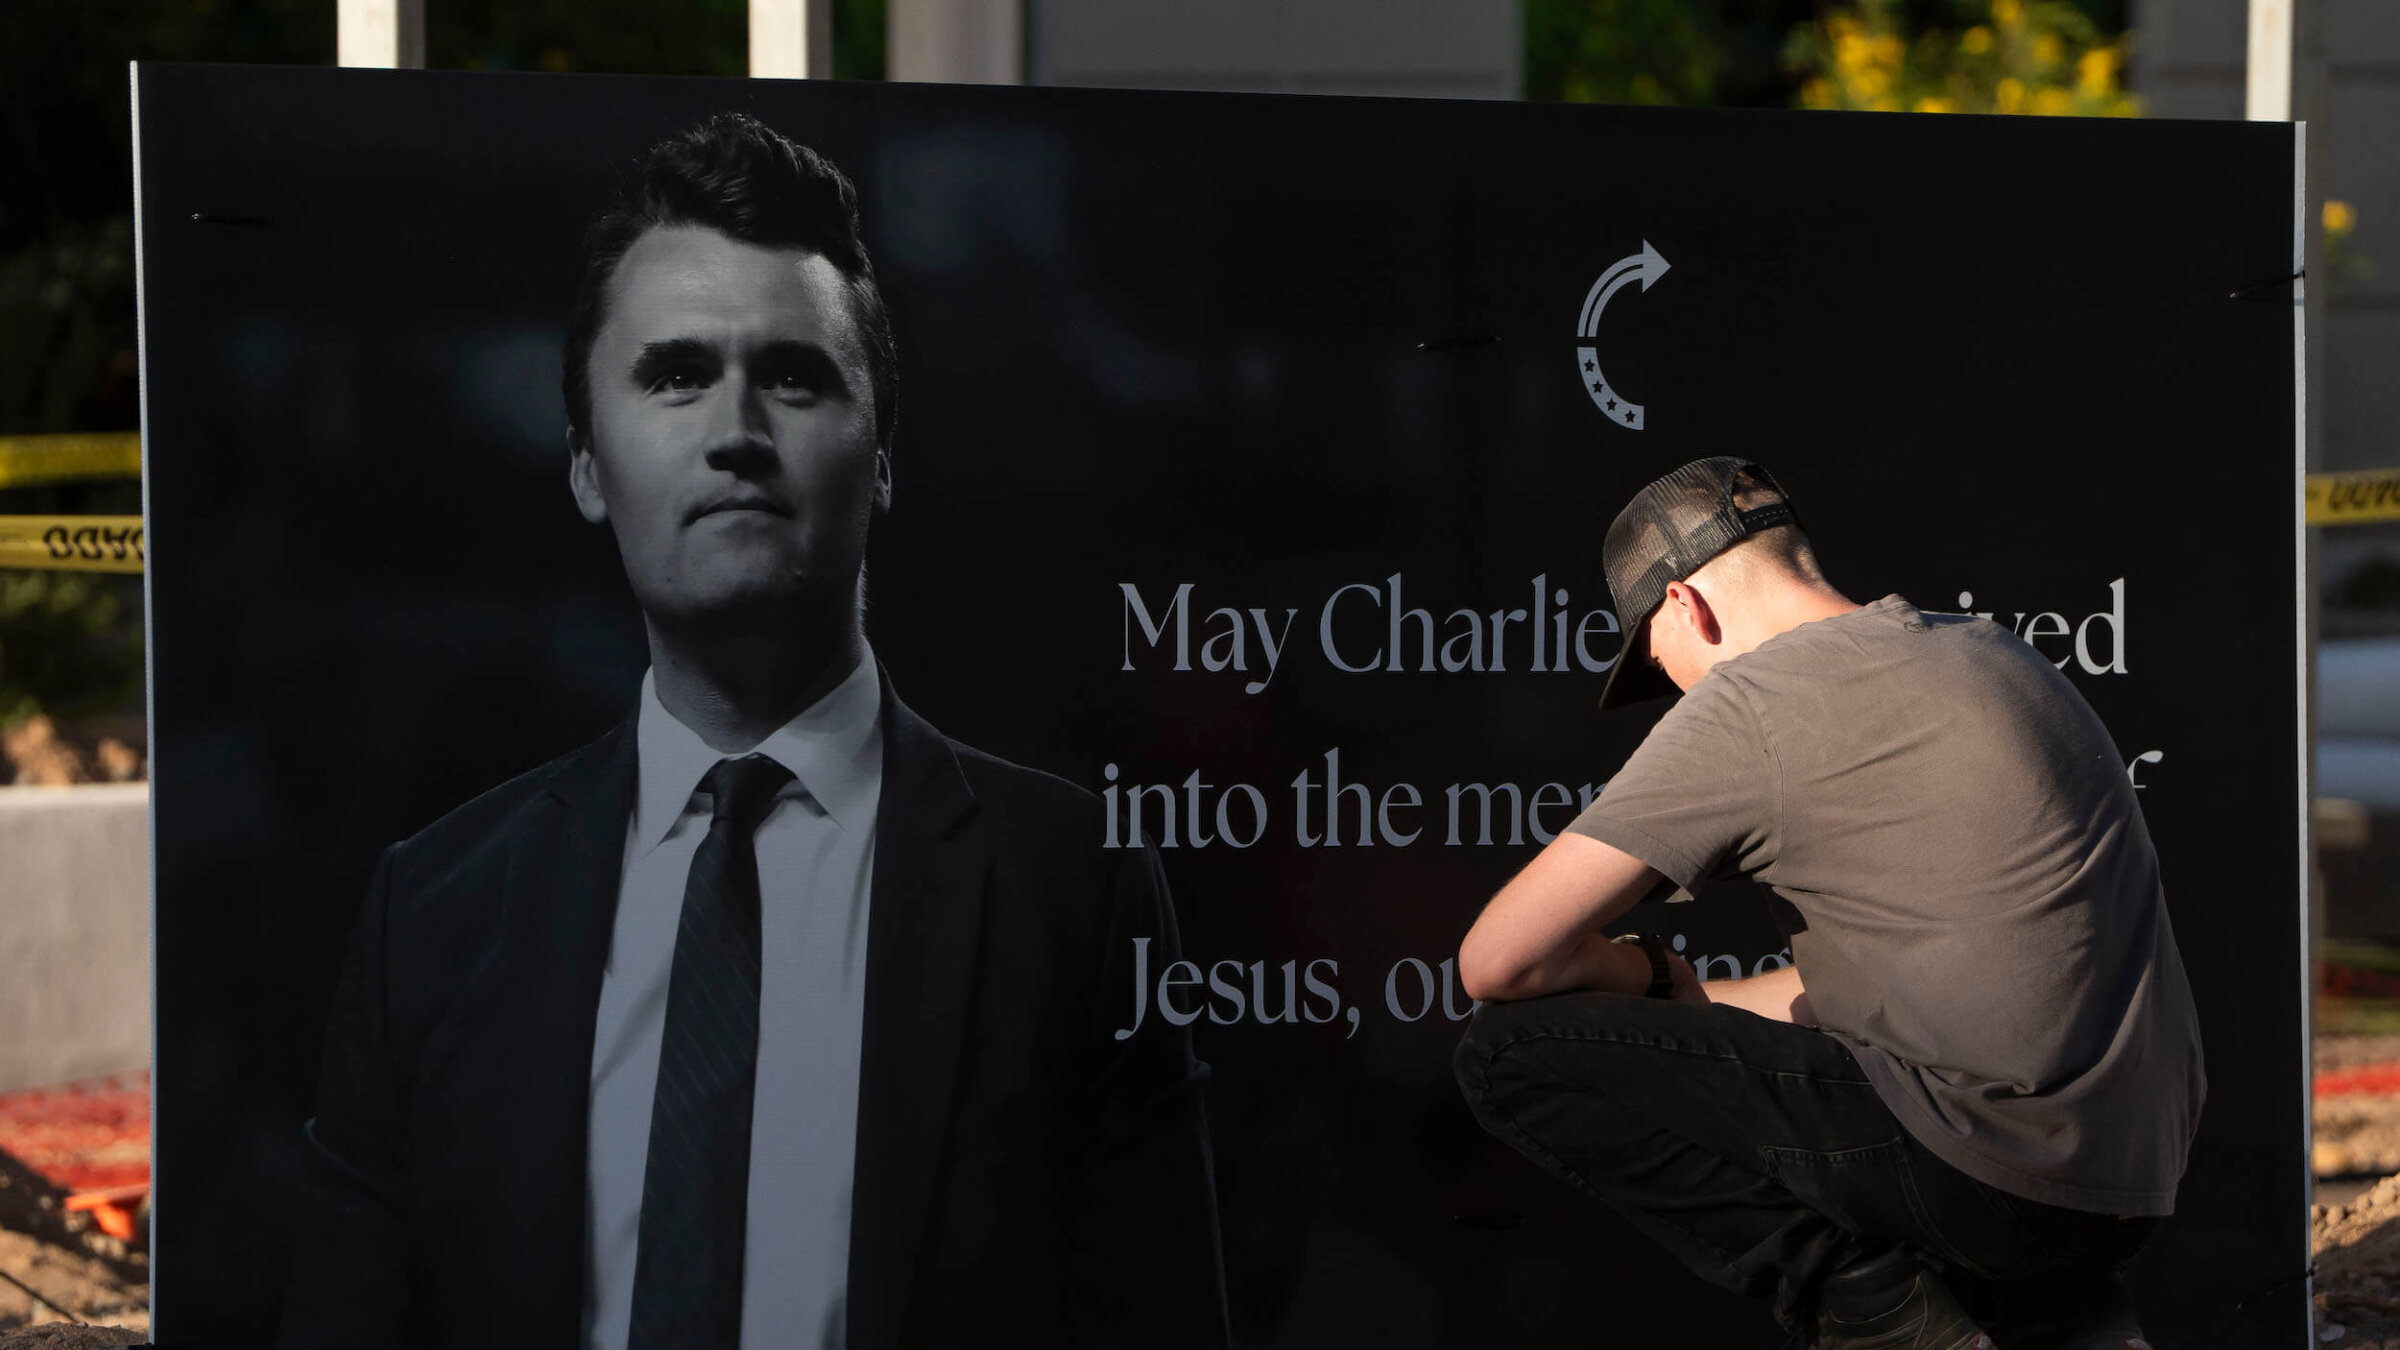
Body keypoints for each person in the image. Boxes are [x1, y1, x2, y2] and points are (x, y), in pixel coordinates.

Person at [276, 113, 1227, 1350]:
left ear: (881, 455)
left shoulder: (1072, 893)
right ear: (584, 465)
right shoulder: (434, 915)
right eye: (674, 374)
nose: (735, 431)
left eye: (793, 374)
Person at [1451, 458, 2202, 1350]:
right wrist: (1693, 996)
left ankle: (1876, 1314)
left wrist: (1641, 970)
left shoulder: (1754, 700)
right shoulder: (1991, 650)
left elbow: (1498, 961)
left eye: (1664, 665)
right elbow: (1893, 993)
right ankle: (2066, 1321)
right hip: (2127, 1180)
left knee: (1511, 1052)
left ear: (1687, 606)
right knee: (1900, 1108)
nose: (1680, 693)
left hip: (1990, 1172)